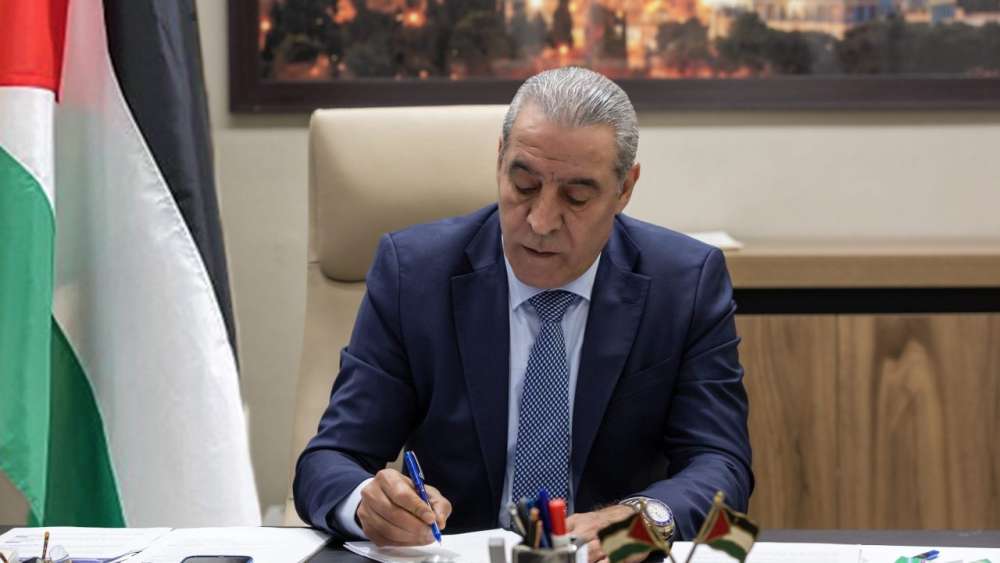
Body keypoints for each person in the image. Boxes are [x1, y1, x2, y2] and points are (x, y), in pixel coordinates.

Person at [293, 67, 752, 562]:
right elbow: (330, 459)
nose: (541, 220)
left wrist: (644, 521)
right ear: (499, 160)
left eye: (577, 197)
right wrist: (368, 504)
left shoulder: (683, 284)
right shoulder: (415, 275)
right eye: (524, 185)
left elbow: (721, 465)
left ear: (625, 189)